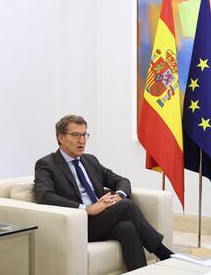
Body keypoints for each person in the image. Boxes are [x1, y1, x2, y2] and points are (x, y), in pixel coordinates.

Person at [34, 115, 173, 271]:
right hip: (78, 223)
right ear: (61, 138)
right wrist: (86, 209)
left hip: (101, 219)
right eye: (76, 135)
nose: (82, 140)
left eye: (84, 134)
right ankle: (165, 254)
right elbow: (45, 196)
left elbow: (121, 181)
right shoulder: (46, 164)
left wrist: (119, 195)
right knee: (127, 206)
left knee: (127, 228)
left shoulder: (90, 160)